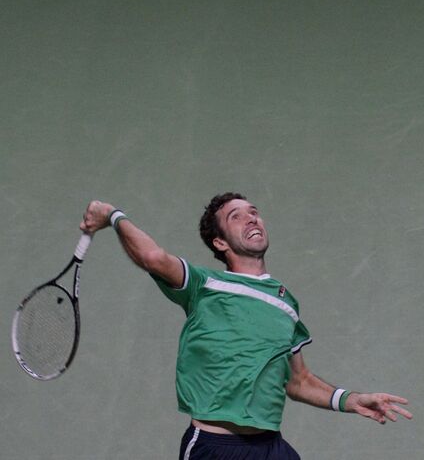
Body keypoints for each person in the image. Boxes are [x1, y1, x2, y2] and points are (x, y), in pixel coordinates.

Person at [80, 193, 412, 460]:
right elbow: (152, 258)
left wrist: (350, 399)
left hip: (272, 448)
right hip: (216, 447)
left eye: (253, 211)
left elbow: (298, 380)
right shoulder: (204, 285)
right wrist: (112, 215)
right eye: (236, 216)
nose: (251, 217)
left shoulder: (285, 303)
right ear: (220, 243)